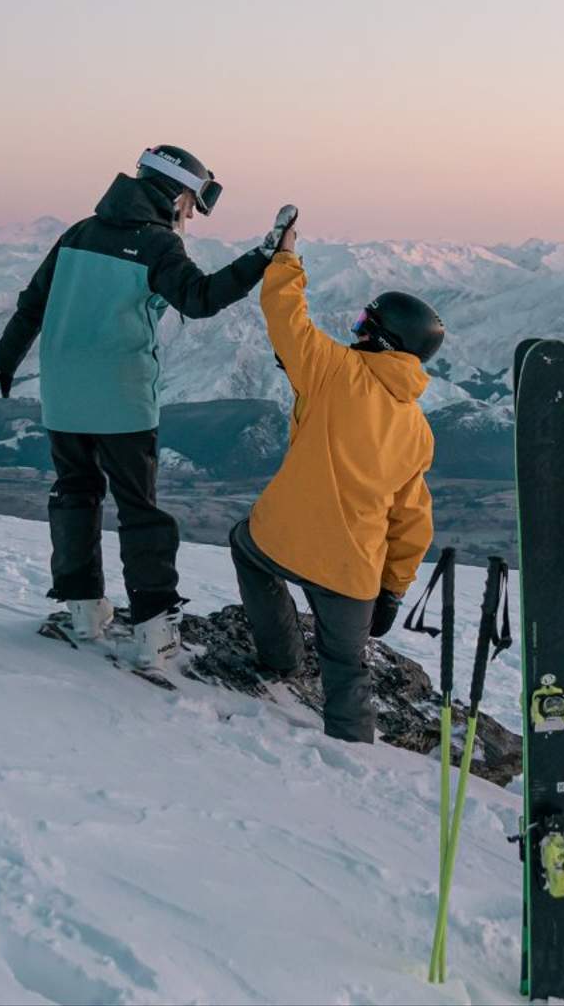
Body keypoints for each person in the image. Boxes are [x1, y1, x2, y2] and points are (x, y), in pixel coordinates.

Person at [0, 144, 293, 667]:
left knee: (75, 496)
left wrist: (2, 363)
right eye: (192, 200)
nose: (191, 212)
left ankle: (83, 612)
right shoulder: (157, 244)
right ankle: (154, 631)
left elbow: (33, 304)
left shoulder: (78, 233)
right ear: (176, 191)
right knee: (140, 510)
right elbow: (200, 299)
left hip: (63, 395)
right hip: (122, 397)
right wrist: (262, 257)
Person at [229, 216, 441, 743]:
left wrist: (285, 256)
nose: (356, 333)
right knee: (348, 669)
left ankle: (279, 660)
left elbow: (286, 317)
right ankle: (356, 758)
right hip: (354, 571)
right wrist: (392, 590)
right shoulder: (418, 428)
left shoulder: (333, 369)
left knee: (243, 546)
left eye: (363, 326)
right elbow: (412, 519)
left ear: (379, 336)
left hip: (282, 539)